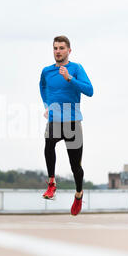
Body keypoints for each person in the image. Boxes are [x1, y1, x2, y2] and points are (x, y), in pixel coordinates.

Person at [39, 35, 94, 216]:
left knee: (75, 167)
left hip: (72, 121)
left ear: (69, 51)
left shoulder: (76, 68)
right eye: (55, 48)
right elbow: (43, 87)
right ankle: (52, 184)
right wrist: (47, 106)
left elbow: (90, 91)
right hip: (55, 118)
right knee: (48, 145)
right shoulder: (47, 71)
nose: (58, 51)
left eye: (61, 48)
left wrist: (70, 78)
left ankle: (78, 194)